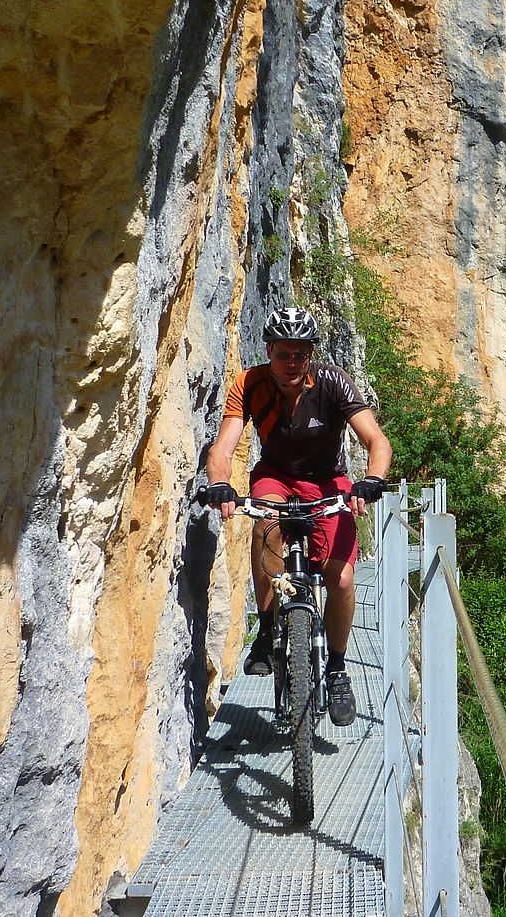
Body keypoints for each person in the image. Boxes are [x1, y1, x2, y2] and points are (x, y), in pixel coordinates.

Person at [201, 307, 391, 727]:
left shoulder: (332, 382)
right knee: (264, 520)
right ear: (268, 350)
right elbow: (223, 447)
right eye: (283, 353)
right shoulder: (249, 384)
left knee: (341, 578)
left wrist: (372, 479)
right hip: (276, 476)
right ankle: (267, 628)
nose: (291, 363)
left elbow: (376, 439)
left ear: (310, 355)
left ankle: (338, 670)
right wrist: (219, 483)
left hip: (328, 482)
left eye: (300, 354)